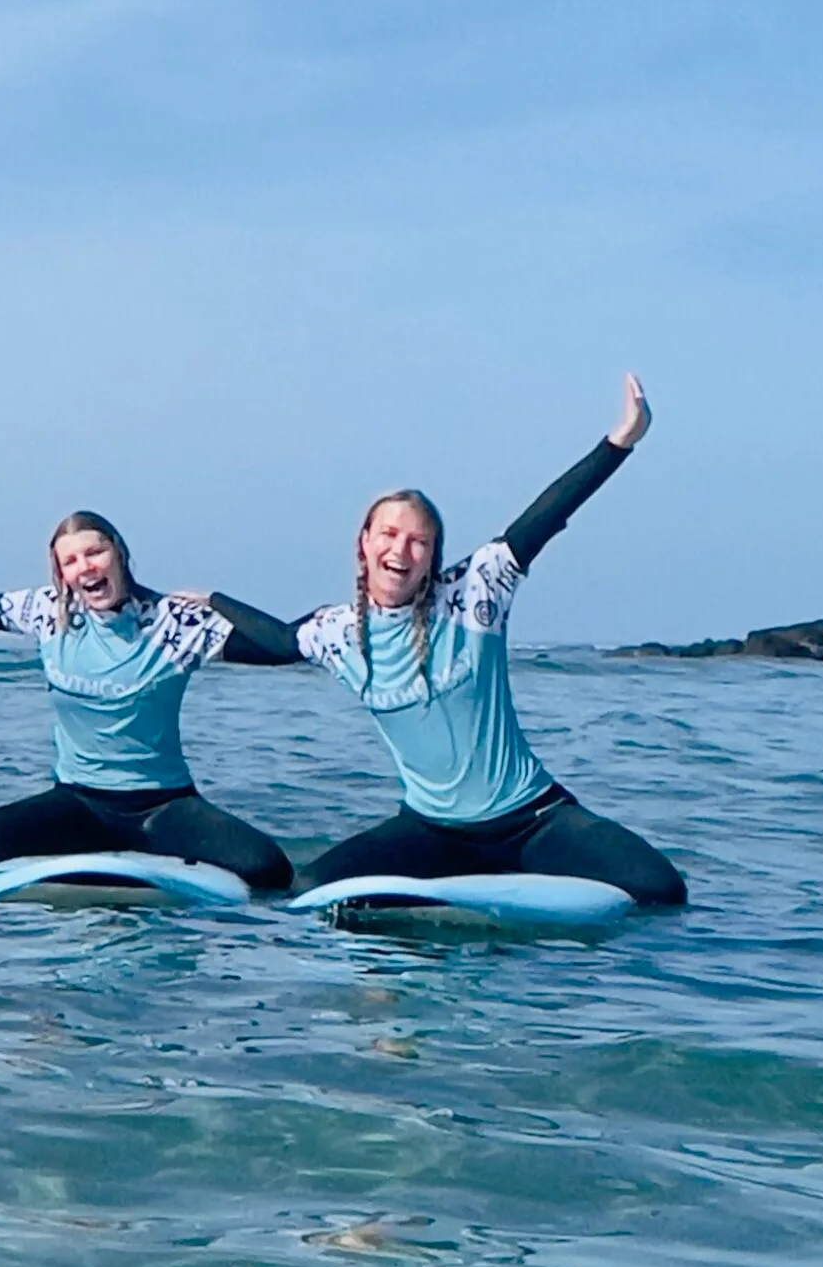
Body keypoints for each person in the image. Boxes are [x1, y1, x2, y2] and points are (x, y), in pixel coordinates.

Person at [208, 374, 687, 906]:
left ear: (432, 555)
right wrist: (210, 600)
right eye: (389, 534)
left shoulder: (475, 590)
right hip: (432, 831)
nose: (402, 550)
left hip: (534, 821)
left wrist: (622, 439)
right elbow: (274, 644)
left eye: (419, 541)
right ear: (365, 543)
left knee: (661, 891)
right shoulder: (337, 633)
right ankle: (382, 986)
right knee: (311, 891)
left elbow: (545, 518)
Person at [0, 515, 293, 889]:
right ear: (62, 574)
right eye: (71, 561)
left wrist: (217, 600)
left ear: (119, 553)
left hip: (164, 807)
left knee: (267, 871)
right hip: (79, 802)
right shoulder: (51, 615)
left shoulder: (174, 623)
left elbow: (281, 648)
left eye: (95, 552)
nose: (86, 567)